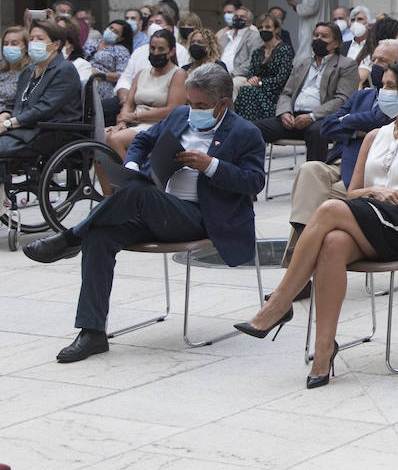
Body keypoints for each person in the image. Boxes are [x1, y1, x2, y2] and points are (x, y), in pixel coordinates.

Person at [27, 64, 265, 363]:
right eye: (190, 103)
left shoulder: (246, 132)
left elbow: (255, 181)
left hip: (204, 218)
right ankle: (92, 332)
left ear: (222, 104)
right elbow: (141, 141)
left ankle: (70, 238)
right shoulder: (180, 116)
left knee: (139, 193)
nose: (193, 110)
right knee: (101, 234)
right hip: (161, 208)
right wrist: (131, 166)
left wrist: (210, 166)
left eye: (201, 105)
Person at [234, 60, 398, 387]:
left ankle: (280, 303)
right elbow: (354, 191)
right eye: (383, 85)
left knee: (330, 209)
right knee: (333, 243)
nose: (383, 92)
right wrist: (375, 192)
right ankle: (324, 350)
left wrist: (378, 195)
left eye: (392, 87)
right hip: (373, 216)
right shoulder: (375, 136)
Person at [281, 38, 398, 276]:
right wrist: (356, 128)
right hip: (340, 162)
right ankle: (302, 247)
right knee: (310, 170)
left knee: (315, 197)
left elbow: (382, 118)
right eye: (374, 59)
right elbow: (327, 126)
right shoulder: (362, 96)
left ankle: (296, 267)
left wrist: (348, 122)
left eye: (382, 61)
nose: (375, 65)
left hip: (367, 174)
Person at [254, 21, 358, 161]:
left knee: (317, 132)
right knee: (252, 129)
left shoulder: (346, 65)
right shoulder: (301, 63)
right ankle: (251, 174)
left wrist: (311, 116)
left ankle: (313, 177)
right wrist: (285, 113)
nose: (318, 39)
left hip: (322, 118)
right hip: (293, 119)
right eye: (316, 35)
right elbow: (287, 93)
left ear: (337, 43)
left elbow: (343, 99)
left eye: (324, 36)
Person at [0, 20, 81, 185]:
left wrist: (9, 123)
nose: (33, 43)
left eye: (39, 39)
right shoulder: (30, 70)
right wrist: (4, 116)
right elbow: (14, 103)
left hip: (51, 130)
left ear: (56, 44)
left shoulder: (64, 70)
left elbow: (45, 108)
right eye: (31, 39)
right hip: (26, 128)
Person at [105, 30, 187, 161]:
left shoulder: (178, 74)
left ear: (171, 51)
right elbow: (129, 103)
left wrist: (135, 116)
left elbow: (173, 110)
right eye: (152, 48)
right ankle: (109, 181)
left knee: (115, 140)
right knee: (102, 138)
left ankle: (130, 179)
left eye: (161, 49)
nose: (155, 53)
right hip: (134, 123)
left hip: (158, 126)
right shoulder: (141, 73)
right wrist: (122, 122)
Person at [232, 13, 296, 122]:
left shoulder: (285, 50)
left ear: (276, 29)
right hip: (255, 90)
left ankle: (247, 127)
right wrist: (252, 81)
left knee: (247, 91)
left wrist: (260, 82)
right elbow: (251, 73)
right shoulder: (257, 51)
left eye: (267, 27)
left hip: (274, 93)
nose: (263, 30)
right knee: (245, 90)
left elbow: (282, 79)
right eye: (260, 28)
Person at [85, 19, 132, 119]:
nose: (111, 31)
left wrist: (100, 74)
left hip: (103, 84)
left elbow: (122, 74)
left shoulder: (120, 50)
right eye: (111, 28)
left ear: (121, 38)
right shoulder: (90, 43)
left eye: (116, 32)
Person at [0, 26, 30, 113]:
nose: (9, 47)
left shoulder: (30, 73)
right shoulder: (1, 69)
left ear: (26, 47)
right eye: (5, 44)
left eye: (14, 44)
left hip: (7, 118)